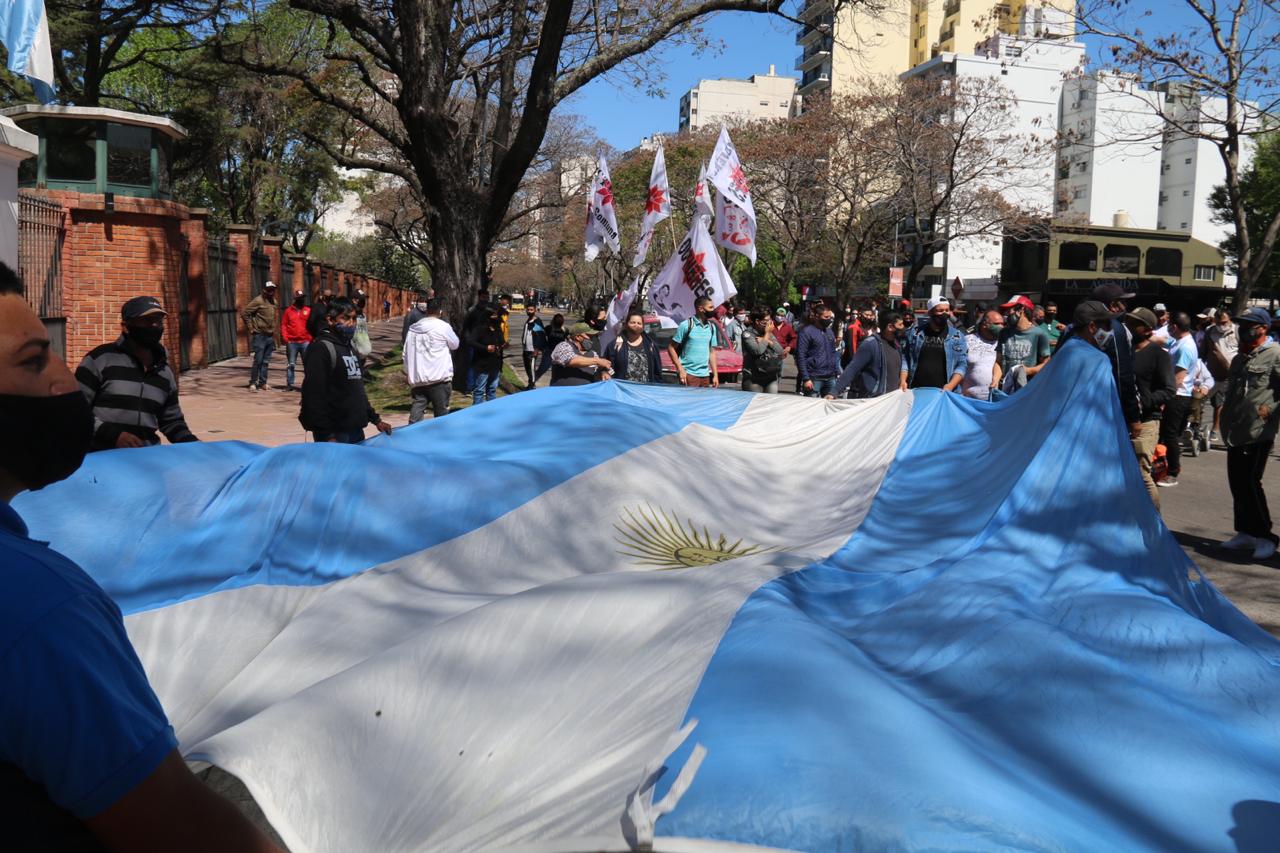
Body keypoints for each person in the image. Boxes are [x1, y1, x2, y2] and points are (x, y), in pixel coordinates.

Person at [0, 266, 282, 851]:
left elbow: (174, 427)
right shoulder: (41, 612)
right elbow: (181, 828)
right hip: (101, 482)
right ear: (129, 326)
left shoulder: (164, 375)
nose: (61, 382)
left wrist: (215, 464)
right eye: (33, 362)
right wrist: (106, 435)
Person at [76, 296, 198, 451]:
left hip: (145, 462)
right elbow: (75, 411)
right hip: (101, 460)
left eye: (158, 321)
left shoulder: (165, 372)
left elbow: (172, 422)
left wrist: (195, 447)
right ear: (126, 326)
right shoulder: (100, 360)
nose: (154, 325)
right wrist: (113, 435)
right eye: (147, 320)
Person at [1220, 306, 1280, 561]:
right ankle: (1245, 531)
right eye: (1241, 325)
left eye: (1248, 325)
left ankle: (1265, 536)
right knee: (1237, 482)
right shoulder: (1240, 357)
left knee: (1250, 483)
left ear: (1263, 328)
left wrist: (1269, 411)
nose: (1243, 329)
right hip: (1236, 429)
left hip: (1258, 431)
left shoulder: (1275, 354)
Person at [299, 297, 393, 443]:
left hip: (355, 431)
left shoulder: (349, 348)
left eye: (354, 319)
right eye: (346, 318)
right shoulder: (321, 349)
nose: (352, 323)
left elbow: (357, 390)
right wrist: (327, 435)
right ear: (330, 320)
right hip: (334, 434)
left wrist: (376, 420)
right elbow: (314, 395)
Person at [1124, 307, 1176, 507]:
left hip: (1146, 422)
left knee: (1141, 475)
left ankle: (1154, 523)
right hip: (1122, 420)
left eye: (1132, 324)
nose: (1127, 326)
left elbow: (1169, 389)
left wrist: (1142, 402)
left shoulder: (1158, 354)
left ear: (1146, 329)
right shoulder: (1123, 351)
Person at [1158, 312, 1198, 488]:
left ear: (1174, 326)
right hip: (1175, 395)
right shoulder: (1178, 341)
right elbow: (1162, 341)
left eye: (1169, 326)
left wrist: (1163, 398)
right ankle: (1162, 466)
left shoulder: (1186, 347)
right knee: (1165, 433)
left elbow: (1178, 378)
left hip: (1178, 396)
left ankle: (1173, 472)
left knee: (1171, 435)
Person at [403, 299, 459, 423]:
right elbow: (455, 344)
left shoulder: (413, 329)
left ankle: (412, 433)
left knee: (417, 409)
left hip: (419, 379)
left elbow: (406, 352)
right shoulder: (443, 327)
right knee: (441, 414)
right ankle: (441, 438)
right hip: (439, 378)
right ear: (440, 312)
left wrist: (407, 372)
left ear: (426, 311)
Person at [830, 311, 905, 399]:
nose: (903, 327)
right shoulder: (870, 344)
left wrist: (903, 380)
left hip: (892, 400)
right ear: (890, 327)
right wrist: (834, 392)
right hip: (875, 400)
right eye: (900, 325)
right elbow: (852, 369)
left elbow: (903, 364)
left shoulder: (896, 344)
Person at [901, 297, 967, 392]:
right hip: (916, 389)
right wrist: (903, 380)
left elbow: (962, 364)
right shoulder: (915, 333)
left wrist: (950, 386)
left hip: (944, 392)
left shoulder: (957, 336)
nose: (944, 313)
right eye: (940, 310)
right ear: (930, 313)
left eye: (947, 310)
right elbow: (905, 358)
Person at [997, 295, 1051, 392]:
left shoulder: (1039, 334)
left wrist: (1029, 370)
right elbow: (998, 361)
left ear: (1021, 310)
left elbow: (1046, 364)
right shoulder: (1004, 333)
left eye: (1010, 310)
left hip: (1028, 389)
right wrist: (995, 380)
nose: (1007, 314)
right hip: (1006, 389)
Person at [668, 296, 722, 388]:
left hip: (705, 375)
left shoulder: (712, 327)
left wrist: (715, 375)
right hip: (688, 374)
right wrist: (680, 369)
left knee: (703, 402)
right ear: (701, 309)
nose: (713, 310)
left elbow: (712, 352)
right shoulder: (686, 325)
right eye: (710, 307)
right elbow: (671, 348)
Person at [1204, 309, 1238, 444]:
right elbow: (1204, 351)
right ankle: (1212, 430)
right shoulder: (1210, 332)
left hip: (1234, 376)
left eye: (1224, 322)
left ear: (1230, 319)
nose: (1221, 325)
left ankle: (1232, 434)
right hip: (1215, 375)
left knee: (1233, 406)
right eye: (1218, 323)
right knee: (1216, 403)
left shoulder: (1237, 331)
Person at [604, 309, 663, 383]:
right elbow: (607, 367)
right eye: (633, 322)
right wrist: (607, 374)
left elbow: (657, 372)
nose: (636, 325)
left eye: (639, 323)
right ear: (626, 324)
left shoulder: (651, 346)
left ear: (643, 326)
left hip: (645, 391)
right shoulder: (615, 345)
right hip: (623, 391)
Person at [466, 302, 507, 406]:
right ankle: (477, 411)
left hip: (495, 364)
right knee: (480, 390)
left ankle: (491, 411)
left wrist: (504, 344)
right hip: (482, 364)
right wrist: (485, 348)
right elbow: (470, 341)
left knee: (492, 389)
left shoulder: (497, 328)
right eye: (493, 314)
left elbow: (501, 341)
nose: (495, 316)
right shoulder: (480, 328)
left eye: (496, 314)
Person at [241, 281, 278, 391]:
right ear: (264, 290)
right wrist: (251, 328)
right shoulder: (258, 301)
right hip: (260, 336)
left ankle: (263, 382)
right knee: (258, 360)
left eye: (273, 290)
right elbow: (245, 313)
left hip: (269, 336)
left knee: (266, 361)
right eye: (269, 289)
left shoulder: (274, 302)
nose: (271, 292)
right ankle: (253, 382)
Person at [796, 304, 840, 398]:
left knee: (830, 408)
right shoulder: (806, 332)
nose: (829, 319)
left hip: (830, 377)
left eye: (830, 317)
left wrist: (837, 371)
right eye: (826, 317)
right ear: (817, 316)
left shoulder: (829, 332)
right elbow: (800, 355)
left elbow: (833, 353)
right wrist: (806, 378)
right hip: (814, 377)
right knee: (811, 408)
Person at [961, 309, 1004, 400]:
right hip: (967, 400)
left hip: (993, 401)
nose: (1001, 327)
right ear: (985, 325)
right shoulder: (967, 340)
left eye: (1002, 324)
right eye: (997, 324)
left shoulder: (1004, 343)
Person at [740, 307, 785, 393]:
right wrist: (767, 334)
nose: (769, 323)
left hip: (770, 376)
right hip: (753, 379)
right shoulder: (748, 334)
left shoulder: (768, 334)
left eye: (769, 320)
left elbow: (780, 351)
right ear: (757, 321)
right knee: (756, 404)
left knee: (770, 404)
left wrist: (767, 340)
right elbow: (758, 351)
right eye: (766, 321)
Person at [281, 288, 312, 392]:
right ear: (295, 299)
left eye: (303, 298)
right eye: (300, 298)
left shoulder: (308, 310)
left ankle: (308, 385)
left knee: (307, 364)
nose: (302, 300)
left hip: (305, 342)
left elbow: (312, 325)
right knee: (291, 364)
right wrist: (286, 338)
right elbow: (284, 325)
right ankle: (289, 384)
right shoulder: (288, 311)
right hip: (292, 342)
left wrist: (310, 338)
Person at [520, 303, 547, 388]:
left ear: (535, 310)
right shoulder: (528, 320)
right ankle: (530, 384)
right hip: (526, 349)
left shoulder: (537, 321)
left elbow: (541, 336)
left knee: (531, 369)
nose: (529, 311)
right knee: (527, 368)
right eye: (528, 310)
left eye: (531, 310)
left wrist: (537, 349)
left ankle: (532, 386)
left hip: (533, 350)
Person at [539, 313, 568, 380]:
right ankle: (531, 383)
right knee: (543, 369)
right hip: (551, 352)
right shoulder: (549, 328)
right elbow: (541, 337)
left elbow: (569, 340)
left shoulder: (564, 330)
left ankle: (531, 384)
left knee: (556, 372)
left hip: (558, 353)